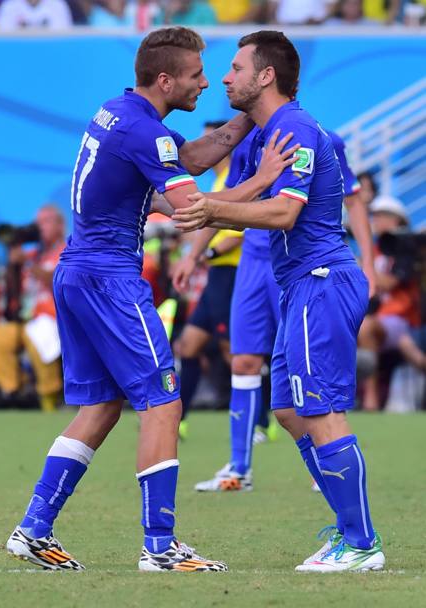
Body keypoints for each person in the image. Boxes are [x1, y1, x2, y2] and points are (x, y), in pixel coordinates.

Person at [5, 26, 298, 573]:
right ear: (165, 80)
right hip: (111, 280)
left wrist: (242, 122)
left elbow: (179, 166)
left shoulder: (119, 111)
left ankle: (33, 529)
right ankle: (160, 546)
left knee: (101, 407)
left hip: (77, 274)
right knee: (164, 400)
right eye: (195, 76)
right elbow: (192, 210)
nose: (206, 83)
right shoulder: (148, 136)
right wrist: (260, 181)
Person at [173, 30, 385, 572]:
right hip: (301, 285)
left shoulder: (294, 129)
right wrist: (202, 210)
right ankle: (347, 532)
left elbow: (283, 213)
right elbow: (234, 187)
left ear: (265, 75)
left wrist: (208, 212)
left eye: (236, 67)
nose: (225, 77)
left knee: (322, 412)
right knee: (289, 409)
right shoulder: (268, 131)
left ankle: (361, 544)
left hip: (321, 280)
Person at [176, 127, 375, 492]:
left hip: (301, 265)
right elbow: (226, 201)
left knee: (314, 370)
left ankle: (329, 459)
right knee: (243, 361)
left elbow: (354, 199)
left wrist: (370, 264)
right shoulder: (247, 144)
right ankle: (239, 468)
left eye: (237, 68)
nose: (226, 79)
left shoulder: (321, 138)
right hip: (252, 262)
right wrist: (193, 255)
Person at [174, 120, 243, 436]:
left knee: (235, 352)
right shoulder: (218, 181)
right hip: (216, 274)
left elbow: (238, 230)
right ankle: (179, 419)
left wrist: (206, 255)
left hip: (231, 273)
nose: (202, 150)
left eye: (209, 142)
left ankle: (261, 421)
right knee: (188, 345)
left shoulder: (234, 178)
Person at [0, 205, 65, 412]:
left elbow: (57, 279)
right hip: (28, 319)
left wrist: (28, 265)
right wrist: (14, 266)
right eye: (38, 222)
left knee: (37, 333)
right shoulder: (32, 255)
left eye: (46, 221)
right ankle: (14, 391)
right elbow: (14, 295)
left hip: (56, 318)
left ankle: (49, 395)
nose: (40, 226)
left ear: (60, 225)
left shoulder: (67, 250)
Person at [358, 195, 424, 410]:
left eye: (382, 216)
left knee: (367, 328)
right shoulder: (375, 250)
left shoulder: (405, 246)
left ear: (397, 220)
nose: (376, 221)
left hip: (401, 319)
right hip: (380, 321)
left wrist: (360, 266)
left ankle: (371, 399)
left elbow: (387, 283)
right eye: (375, 216)